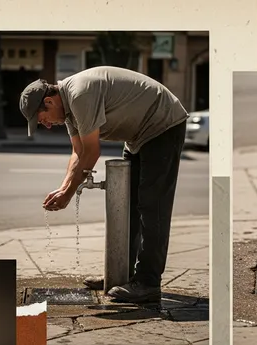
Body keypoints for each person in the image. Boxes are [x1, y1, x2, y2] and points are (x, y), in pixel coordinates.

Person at [19, 66, 189, 304]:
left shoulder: (79, 95)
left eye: (42, 119)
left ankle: (148, 282)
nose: (46, 125)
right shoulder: (69, 109)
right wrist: (63, 187)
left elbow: (92, 152)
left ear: (49, 101)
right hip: (139, 137)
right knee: (127, 205)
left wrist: (68, 194)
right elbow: (78, 152)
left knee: (152, 207)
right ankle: (121, 274)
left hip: (162, 125)